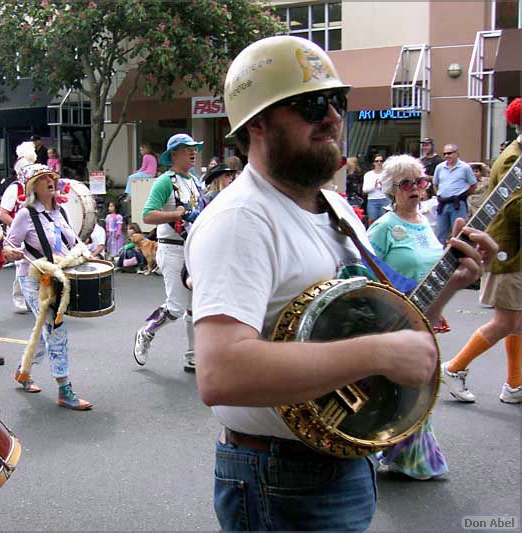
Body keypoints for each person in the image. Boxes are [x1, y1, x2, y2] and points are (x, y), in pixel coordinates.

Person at [185, 36, 496, 532]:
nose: (331, 116)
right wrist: (378, 355)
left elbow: (380, 320)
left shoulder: (332, 207)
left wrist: (450, 281)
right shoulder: (242, 219)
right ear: (257, 123)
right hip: (281, 478)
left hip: (337, 461)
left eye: (337, 101)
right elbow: (221, 372)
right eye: (310, 105)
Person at [366, 154, 448, 480]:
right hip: (393, 318)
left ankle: (408, 454)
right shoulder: (384, 227)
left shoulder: (426, 220)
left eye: (420, 182)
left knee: (418, 385)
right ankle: (388, 451)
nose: (415, 189)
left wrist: (438, 308)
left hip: (425, 316)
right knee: (402, 388)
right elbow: (365, 268)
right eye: (406, 184)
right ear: (392, 189)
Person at [442, 97, 522, 404]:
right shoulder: (515, 157)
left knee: (516, 320)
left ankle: (514, 385)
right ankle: (455, 366)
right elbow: (517, 207)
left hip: (508, 250)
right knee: (507, 321)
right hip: (508, 252)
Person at [3, 164, 92, 410]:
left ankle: (23, 372)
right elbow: (9, 245)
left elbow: (72, 242)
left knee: (46, 330)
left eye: (51, 177)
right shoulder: (25, 214)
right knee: (56, 330)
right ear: (33, 187)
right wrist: (11, 252)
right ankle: (64, 389)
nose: (50, 182)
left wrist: (87, 253)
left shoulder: (60, 211)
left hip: (59, 277)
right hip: (34, 280)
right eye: (43, 179)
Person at [133, 133, 204, 373]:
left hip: (193, 250)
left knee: (196, 306)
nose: (193, 153)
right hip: (172, 249)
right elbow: (147, 215)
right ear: (174, 155)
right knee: (175, 307)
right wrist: (176, 214)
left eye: (194, 149)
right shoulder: (165, 181)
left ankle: (192, 356)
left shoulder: (195, 181)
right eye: (187, 149)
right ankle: (146, 332)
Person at [0, 142, 37, 314]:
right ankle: (19, 297)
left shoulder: (36, 189)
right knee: (21, 266)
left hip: (35, 235)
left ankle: (35, 297)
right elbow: (3, 214)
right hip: (19, 237)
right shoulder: (14, 189)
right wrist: (19, 228)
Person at [433, 143, 477, 244]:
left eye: (449, 153)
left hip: (457, 204)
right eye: (445, 154)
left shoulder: (465, 167)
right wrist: (439, 195)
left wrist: (462, 195)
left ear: (456, 153)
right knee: (441, 233)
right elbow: (435, 184)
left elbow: (473, 185)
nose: (447, 156)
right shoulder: (439, 167)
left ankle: (457, 256)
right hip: (443, 204)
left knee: (458, 234)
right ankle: (441, 257)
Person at [362, 154, 389, 224]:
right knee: (372, 222)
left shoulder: (387, 174)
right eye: (377, 161)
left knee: (384, 222)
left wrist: (383, 185)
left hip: (385, 200)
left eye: (381, 161)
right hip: (372, 201)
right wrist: (374, 186)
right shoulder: (368, 175)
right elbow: (364, 190)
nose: (379, 163)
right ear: (373, 163)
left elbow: (391, 188)